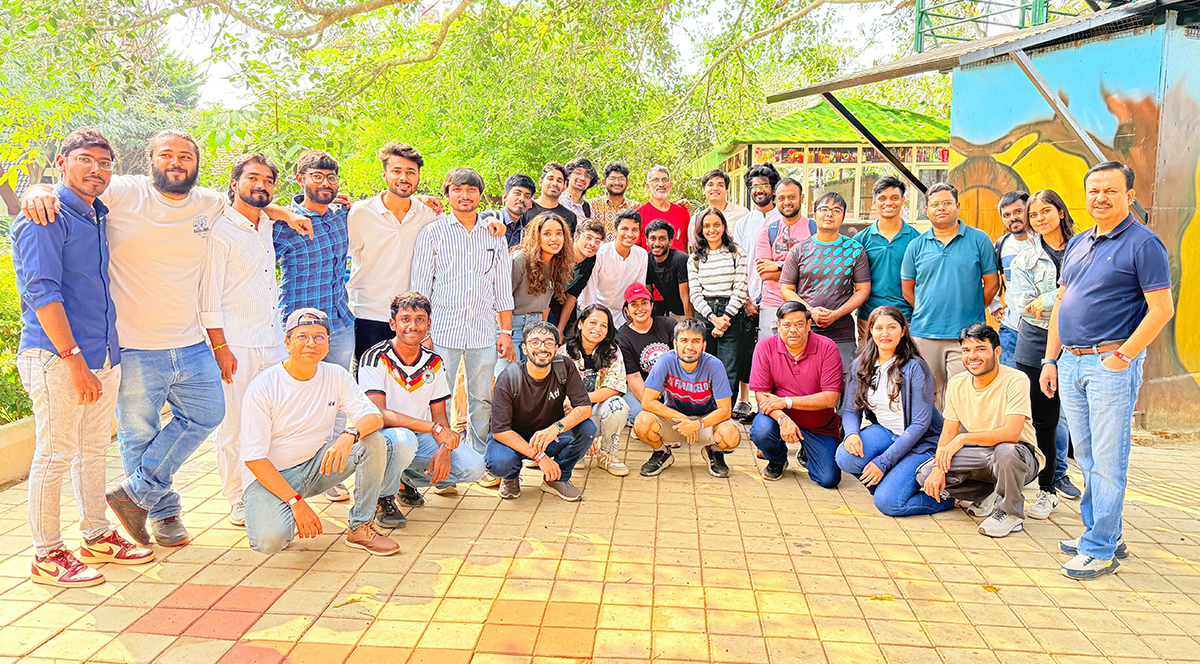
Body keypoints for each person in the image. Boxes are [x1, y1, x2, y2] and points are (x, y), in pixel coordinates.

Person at [18, 129, 310, 546]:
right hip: (132, 344)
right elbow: (77, 182)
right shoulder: (121, 192)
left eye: (186, 156)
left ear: (197, 164)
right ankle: (164, 513)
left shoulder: (209, 203)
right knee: (138, 433)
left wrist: (282, 211)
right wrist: (38, 187)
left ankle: (135, 494)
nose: (177, 162)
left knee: (209, 413)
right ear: (149, 160)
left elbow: (249, 202)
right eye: (167, 154)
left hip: (189, 340)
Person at [12, 127, 153, 587]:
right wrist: (73, 360)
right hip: (57, 357)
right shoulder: (46, 216)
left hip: (103, 354)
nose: (97, 170)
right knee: (55, 454)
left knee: (92, 451)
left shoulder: (96, 214)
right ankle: (47, 553)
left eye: (105, 162)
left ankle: (95, 533)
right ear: (61, 161)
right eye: (86, 160)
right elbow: (41, 293)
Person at [1041, 161, 1173, 580]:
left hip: (1109, 364)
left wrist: (1123, 356)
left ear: (1129, 196)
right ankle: (1103, 534)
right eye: (1094, 190)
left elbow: (1161, 310)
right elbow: (1063, 302)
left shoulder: (1143, 244)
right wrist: (1051, 358)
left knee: (1108, 459)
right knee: (1089, 456)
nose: (1100, 198)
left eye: (1111, 191)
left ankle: (1099, 549)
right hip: (1071, 360)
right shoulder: (1080, 242)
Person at [241, 309, 402, 556]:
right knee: (270, 542)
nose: (311, 343)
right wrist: (295, 502)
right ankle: (279, 510)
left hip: (318, 466)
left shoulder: (335, 374)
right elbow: (254, 458)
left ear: (328, 342)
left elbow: (374, 417)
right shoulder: (264, 386)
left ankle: (361, 527)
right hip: (273, 476)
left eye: (319, 336)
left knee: (373, 442)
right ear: (287, 342)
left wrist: (350, 434)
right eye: (302, 336)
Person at [200, 153, 289, 526]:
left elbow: (275, 211)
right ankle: (236, 496)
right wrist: (220, 348)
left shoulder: (266, 223)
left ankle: (265, 488)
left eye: (268, 180)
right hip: (235, 344)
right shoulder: (219, 231)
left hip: (273, 339)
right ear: (234, 183)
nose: (261, 186)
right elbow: (208, 296)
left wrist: (285, 212)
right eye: (253, 178)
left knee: (272, 421)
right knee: (234, 424)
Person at [411, 167, 515, 462]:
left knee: (481, 398)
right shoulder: (433, 233)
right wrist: (423, 334)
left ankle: (479, 455)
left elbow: (502, 289)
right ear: (448, 194)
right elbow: (420, 289)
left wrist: (505, 332)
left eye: (471, 190)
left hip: (483, 331)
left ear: (480, 196)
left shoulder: (494, 235)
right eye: (457, 189)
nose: (465, 195)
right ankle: (439, 456)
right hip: (441, 331)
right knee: (435, 397)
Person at [358, 293, 485, 515]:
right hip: (380, 438)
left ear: (428, 324)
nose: (412, 325)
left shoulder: (434, 362)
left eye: (419, 319)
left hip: (417, 436)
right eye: (405, 319)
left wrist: (445, 447)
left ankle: (403, 480)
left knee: (473, 467)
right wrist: (434, 429)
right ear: (393, 323)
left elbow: (439, 415)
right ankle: (382, 498)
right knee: (404, 439)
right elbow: (380, 414)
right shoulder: (374, 357)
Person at [916, 323, 1041, 538]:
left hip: (1020, 455)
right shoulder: (957, 383)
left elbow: (1011, 434)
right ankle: (988, 492)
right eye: (966, 350)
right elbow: (947, 434)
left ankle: (1011, 513)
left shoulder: (1016, 379)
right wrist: (938, 468)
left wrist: (963, 438)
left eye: (980, 349)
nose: (972, 356)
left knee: (1006, 452)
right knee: (925, 474)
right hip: (981, 454)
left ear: (997, 351)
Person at [1006, 189, 1079, 520]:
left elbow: (1091, 291)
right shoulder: (1025, 259)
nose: (1039, 219)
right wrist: (1066, 295)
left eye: (1045, 211)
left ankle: (1071, 480)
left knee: (1079, 417)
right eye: (1034, 215)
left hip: (1081, 338)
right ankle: (1046, 489)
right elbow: (1023, 305)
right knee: (1043, 421)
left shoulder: (1087, 248)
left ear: (1061, 212)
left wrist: (1049, 298)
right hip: (1034, 341)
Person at [836, 306, 950, 516]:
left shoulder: (915, 367)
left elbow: (919, 425)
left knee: (890, 503)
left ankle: (947, 498)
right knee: (845, 456)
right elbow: (851, 410)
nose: (885, 333)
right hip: (887, 432)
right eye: (878, 328)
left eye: (891, 327)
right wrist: (852, 433)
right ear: (870, 330)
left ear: (902, 331)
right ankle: (890, 480)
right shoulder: (861, 364)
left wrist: (883, 461)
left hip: (921, 441)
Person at [901, 183, 1000, 407]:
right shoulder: (916, 245)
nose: (941, 208)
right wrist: (928, 309)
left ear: (957, 205)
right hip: (925, 334)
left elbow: (992, 284)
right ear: (927, 210)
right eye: (935, 204)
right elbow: (907, 288)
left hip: (966, 336)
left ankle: (962, 442)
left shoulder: (979, 239)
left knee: (963, 396)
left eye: (947, 203)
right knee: (928, 396)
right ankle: (934, 442)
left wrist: (971, 308)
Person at [346, 143, 439, 359]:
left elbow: (458, 227)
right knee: (367, 384)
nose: (403, 178)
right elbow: (341, 254)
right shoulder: (361, 212)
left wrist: (491, 220)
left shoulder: (427, 214)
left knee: (407, 385)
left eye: (410, 172)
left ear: (418, 177)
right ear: (384, 174)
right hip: (368, 313)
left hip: (410, 317)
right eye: (396, 171)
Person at [487, 322, 596, 501]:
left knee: (587, 430)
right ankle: (510, 477)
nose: (542, 348)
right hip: (513, 439)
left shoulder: (564, 367)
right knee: (500, 463)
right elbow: (500, 431)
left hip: (548, 436)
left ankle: (557, 478)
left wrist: (557, 427)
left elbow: (584, 408)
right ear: (524, 347)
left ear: (557, 347)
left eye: (549, 343)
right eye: (535, 342)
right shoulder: (509, 377)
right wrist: (540, 457)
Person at [277, 149, 356, 370]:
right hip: (301, 326)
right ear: (300, 179)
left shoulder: (342, 214)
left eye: (331, 178)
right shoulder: (285, 223)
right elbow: (244, 209)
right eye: (317, 177)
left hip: (340, 322)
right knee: (300, 392)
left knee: (338, 390)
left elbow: (382, 207)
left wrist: (419, 200)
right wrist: (285, 214)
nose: (326, 183)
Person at [748, 302, 843, 486]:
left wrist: (786, 402)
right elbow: (762, 396)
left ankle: (808, 450)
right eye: (787, 324)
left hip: (819, 424)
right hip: (779, 418)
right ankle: (777, 459)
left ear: (809, 325)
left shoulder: (828, 348)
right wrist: (783, 419)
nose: (793, 330)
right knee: (761, 430)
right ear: (778, 325)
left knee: (829, 479)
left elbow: (831, 397)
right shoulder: (765, 347)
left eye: (799, 324)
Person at [779, 191, 870, 381]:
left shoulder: (855, 250)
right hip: (805, 328)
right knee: (805, 380)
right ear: (814, 214)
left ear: (843, 216)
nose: (829, 214)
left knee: (844, 382)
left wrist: (836, 314)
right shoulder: (799, 249)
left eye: (836, 210)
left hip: (842, 329)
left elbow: (863, 290)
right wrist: (810, 311)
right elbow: (786, 289)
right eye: (824, 209)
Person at [633, 318, 740, 478]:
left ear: (704, 345)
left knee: (731, 435)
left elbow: (725, 411)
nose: (689, 346)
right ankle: (661, 452)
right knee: (642, 422)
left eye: (696, 341)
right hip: (675, 420)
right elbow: (647, 402)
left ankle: (714, 452)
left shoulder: (715, 365)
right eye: (684, 340)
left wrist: (698, 424)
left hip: (705, 421)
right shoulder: (665, 361)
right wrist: (681, 418)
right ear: (675, 344)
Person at [495, 212, 575, 374]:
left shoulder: (557, 264)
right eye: (547, 234)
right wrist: (506, 334)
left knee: (532, 385)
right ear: (536, 236)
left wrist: (544, 334)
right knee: (507, 381)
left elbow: (545, 307)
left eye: (559, 233)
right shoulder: (519, 260)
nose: (554, 239)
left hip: (536, 328)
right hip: (512, 326)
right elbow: (499, 300)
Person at [734, 163, 782, 419]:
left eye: (765, 185)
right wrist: (745, 299)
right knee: (745, 351)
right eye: (755, 186)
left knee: (774, 353)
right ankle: (744, 400)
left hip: (777, 298)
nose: (759, 190)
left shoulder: (783, 220)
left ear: (774, 189)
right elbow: (739, 262)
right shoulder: (743, 224)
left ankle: (773, 403)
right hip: (748, 295)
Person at [688, 207, 750, 400]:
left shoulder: (737, 253)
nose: (711, 230)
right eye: (706, 226)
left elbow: (740, 289)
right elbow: (695, 294)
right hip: (706, 314)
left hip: (731, 313)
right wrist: (713, 319)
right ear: (700, 230)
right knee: (704, 364)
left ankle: (725, 414)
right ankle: (706, 408)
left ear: (723, 226)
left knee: (728, 367)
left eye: (716, 225)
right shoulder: (695, 258)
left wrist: (725, 318)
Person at [564, 305, 630, 476]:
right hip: (569, 413)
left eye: (604, 325)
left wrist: (581, 399)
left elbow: (613, 388)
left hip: (596, 410)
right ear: (580, 324)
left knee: (619, 405)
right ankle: (575, 449)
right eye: (593, 322)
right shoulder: (564, 353)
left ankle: (607, 454)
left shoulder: (613, 352)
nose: (597, 329)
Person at [856, 176, 920, 341]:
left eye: (894, 198)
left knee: (905, 365)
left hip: (906, 318)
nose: (888, 203)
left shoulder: (917, 239)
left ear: (903, 201)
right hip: (868, 317)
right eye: (882, 198)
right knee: (868, 365)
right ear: (874, 202)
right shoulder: (860, 240)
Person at [753, 177, 811, 337]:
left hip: (806, 304)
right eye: (781, 198)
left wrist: (777, 265)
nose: (787, 202)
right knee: (770, 356)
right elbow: (765, 273)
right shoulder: (768, 231)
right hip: (772, 306)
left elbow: (815, 270)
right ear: (775, 200)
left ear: (802, 198)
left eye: (792, 197)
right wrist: (800, 270)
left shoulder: (813, 229)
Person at [988, 191, 1038, 368]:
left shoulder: (1044, 241)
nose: (1013, 218)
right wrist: (994, 306)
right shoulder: (1001, 245)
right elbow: (988, 277)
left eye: (1018, 212)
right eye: (1007, 215)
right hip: (1011, 329)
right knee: (1011, 383)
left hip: (1042, 329)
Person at [616, 284, 678, 425]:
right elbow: (634, 377)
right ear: (627, 309)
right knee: (641, 413)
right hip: (641, 387)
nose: (640, 309)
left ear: (652, 304)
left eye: (644, 303)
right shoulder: (622, 339)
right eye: (634, 304)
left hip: (670, 384)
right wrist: (653, 404)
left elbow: (678, 363)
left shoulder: (669, 324)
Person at [581, 209, 648, 327]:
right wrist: (592, 318)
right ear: (615, 231)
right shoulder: (600, 253)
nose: (630, 234)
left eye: (635, 230)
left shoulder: (642, 255)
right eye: (625, 229)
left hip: (623, 315)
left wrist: (632, 317)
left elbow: (637, 288)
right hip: (594, 308)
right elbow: (590, 288)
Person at [549, 219, 604, 336]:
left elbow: (573, 295)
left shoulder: (590, 260)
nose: (592, 244)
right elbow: (544, 294)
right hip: (540, 303)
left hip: (561, 304)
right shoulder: (559, 252)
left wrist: (561, 329)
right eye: (588, 237)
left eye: (597, 241)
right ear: (576, 236)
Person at [688, 169, 750, 249]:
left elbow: (749, 246)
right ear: (703, 190)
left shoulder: (742, 214)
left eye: (720, 185)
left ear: (726, 190)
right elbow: (694, 250)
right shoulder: (696, 219)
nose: (715, 188)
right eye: (710, 185)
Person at [644, 219, 691, 319]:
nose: (657, 243)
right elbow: (649, 296)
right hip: (673, 313)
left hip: (691, 311)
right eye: (652, 238)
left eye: (662, 239)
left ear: (670, 242)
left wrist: (690, 324)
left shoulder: (680, 259)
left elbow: (686, 298)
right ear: (647, 241)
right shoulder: (647, 260)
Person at [638, 166, 690, 252]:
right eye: (655, 180)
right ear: (648, 186)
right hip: (650, 264)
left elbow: (685, 245)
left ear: (670, 185)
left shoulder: (682, 212)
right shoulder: (640, 214)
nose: (661, 184)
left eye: (665, 180)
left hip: (678, 264)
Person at [588, 161, 640, 241]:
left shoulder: (636, 207)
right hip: (598, 252)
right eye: (613, 179)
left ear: (627, 182)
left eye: (621, 179)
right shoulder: (592, 205)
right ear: (604, 182)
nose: (617, 182)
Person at [522, 162, 578, 233]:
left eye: (559, 181)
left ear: (564, 187)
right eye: (550, 179)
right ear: (540, 182)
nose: (554, 183)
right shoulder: (525, 210)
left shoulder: (570, 217)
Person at [486, 173, 536, 248]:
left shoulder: (525, 232)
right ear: (505, 197)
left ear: (530, 204)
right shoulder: (491, 217)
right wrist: (487, 220)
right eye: (517, 193)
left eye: (527, 196)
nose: (522, 199)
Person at [560, 157, 597, 221]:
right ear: (568, 175)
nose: (582, 178)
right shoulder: (557, 201)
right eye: (578, 173)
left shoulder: (588, 209)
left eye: (587, 176)